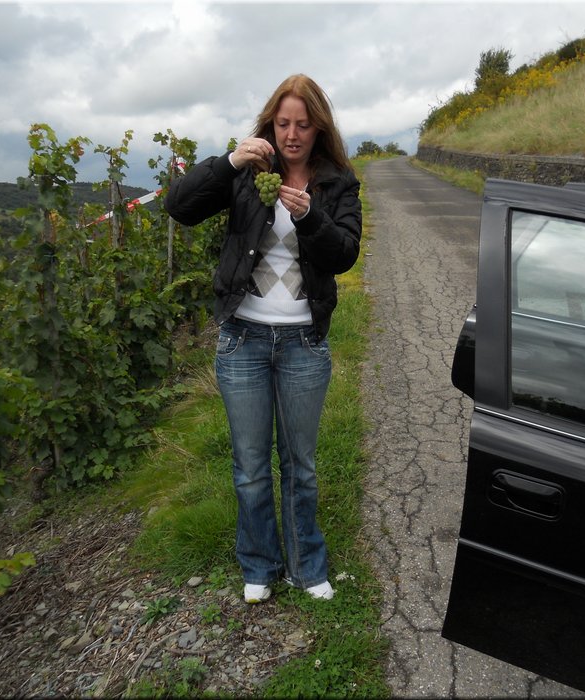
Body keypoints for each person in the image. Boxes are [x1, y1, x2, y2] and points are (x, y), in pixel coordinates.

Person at [165, 74, 362, 603]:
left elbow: (345, 253)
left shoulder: (338, 182)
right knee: (251, 466)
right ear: (270, 124)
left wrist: (310, 217)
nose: (292, 135)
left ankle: (306, 566)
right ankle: (259, 565)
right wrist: (229, 161)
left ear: (319, 129)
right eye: (283, 123)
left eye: (303, 125)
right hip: (243, 340)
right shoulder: (248, 170)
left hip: (303, 342)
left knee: (301, 466)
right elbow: (179, 207)